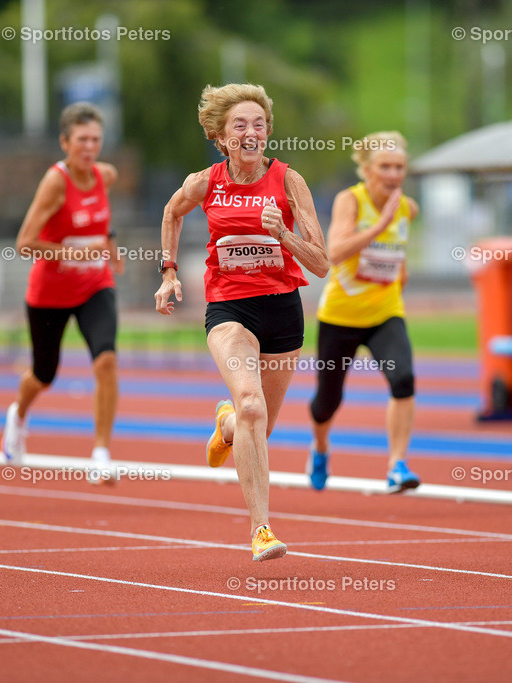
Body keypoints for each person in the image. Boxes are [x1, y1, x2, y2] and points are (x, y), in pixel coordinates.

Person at [155, 83, 329, 562]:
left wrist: (283, 234)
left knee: (257, 424)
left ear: (268, 132)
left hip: (282, 309)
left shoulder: (290, 182)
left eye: (259, 124)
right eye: (240, 125)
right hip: (230, 309)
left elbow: (321, 263)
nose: (251, 133)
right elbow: (171, 212)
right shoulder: (204, 182)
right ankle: (261, 530)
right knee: (252, 403)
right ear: (220, 136)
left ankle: (226, 424)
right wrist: (168, 272)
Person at [2, 103, 123, 472]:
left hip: (94, 286)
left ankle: (101, 453)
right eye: (82, 140)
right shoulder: (56, 182)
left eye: (96, 140)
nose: (90, 147)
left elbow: (101, 221)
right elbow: (24, 242)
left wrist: (110, 244)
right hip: (50, 294)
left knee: (106, 360)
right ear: (65, 142)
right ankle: (18, 415)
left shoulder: (106, 175)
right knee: (44, 374)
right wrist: (75, 250)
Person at [306, 131, 421, 493]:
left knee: (403, 379)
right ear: (367, 170)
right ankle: (320, 448)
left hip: (385, 312)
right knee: (328, 401)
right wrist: (378, 226)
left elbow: (396, 253)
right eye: (385, 166)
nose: (393, 174)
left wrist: (397, 271)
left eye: (399, 167)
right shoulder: (350, 201)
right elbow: (334, 252)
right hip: (340, 316)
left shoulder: (409, 208)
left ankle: (396, 465)